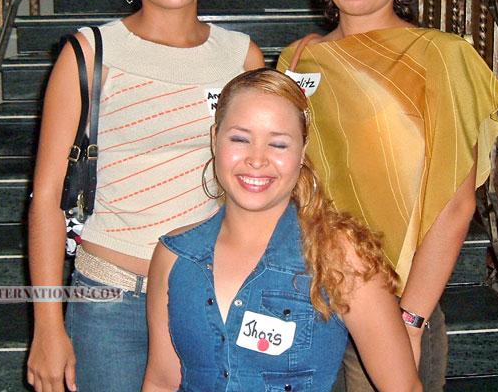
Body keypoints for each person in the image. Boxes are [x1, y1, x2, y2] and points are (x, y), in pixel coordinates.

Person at [26, 0, 265, 392]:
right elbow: (46, 197)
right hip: (109, 300)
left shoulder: (241, 57)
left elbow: (260, 181)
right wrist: (47, 325)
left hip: (207, 295)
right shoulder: (90, 53)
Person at [277, 0, 498, 391]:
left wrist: (410, 320)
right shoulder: (298, 60)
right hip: (304, 300)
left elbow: (455, 204)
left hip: (395, 304)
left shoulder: (441, 57)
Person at [142, 68, 423, 392]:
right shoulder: (175, 256)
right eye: (240, 139)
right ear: (215, 138)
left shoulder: (339, 255)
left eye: (278, 144)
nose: (257, 159)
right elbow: (161, 381)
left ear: (302, 151)